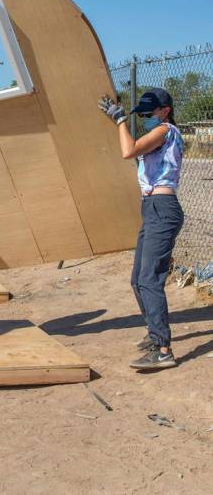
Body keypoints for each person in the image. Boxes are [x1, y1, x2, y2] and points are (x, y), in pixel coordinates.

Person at [98, 88, 185, 370]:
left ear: (165, 111)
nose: (145, 117)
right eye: (142, 114)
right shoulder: (157, 134)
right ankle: (153, 334)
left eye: (149, 113)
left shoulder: (165, 130)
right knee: (137, 279)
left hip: (163, 208)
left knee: (150, 279)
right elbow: (134, 148)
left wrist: (121, 121)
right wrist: (119, 122)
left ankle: (163, 350)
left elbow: (128, 151)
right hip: (152, 209)